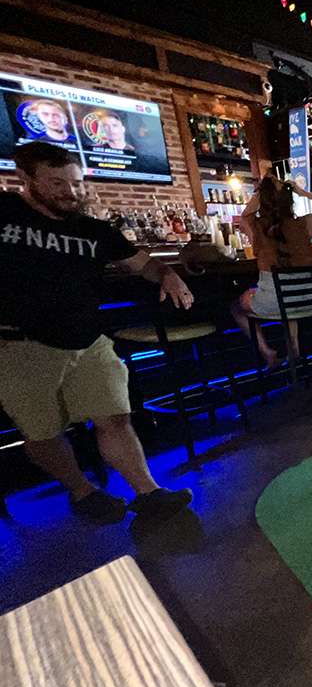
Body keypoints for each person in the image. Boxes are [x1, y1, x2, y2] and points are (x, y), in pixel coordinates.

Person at [0, 142, 193, 522]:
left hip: (89, 340)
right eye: (57, 183)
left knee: (114, 417)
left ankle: (147, 492)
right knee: (41, 433)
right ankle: (82, 490)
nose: (70, 192)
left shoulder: (93, 229)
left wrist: (168, 274)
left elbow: (144, 264)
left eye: (75, 183)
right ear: (25, 179)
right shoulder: (3, 213)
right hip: (20, 345)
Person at [231, 172, 312, 369]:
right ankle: (294, 350)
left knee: (237, 307)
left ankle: (267, 352)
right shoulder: (303, 225)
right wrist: (303, 192)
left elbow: (245, 214)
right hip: (309, 300)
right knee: (286, 299)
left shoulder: (257, 226)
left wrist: (262, 191)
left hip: (276, 302)